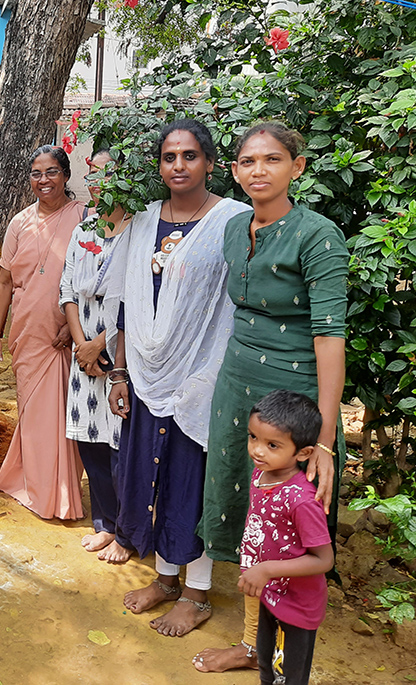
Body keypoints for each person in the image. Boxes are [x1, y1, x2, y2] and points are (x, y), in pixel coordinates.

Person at [193, 121, 347, 673]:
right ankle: (251, 640)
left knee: (289, 525)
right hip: (237, 383)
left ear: (296, 167)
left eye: (272, 160)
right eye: (247, 162)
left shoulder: (318, 234)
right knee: (246, 508)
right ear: (234, 171)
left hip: (293, 391)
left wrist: (323, 441)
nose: (258, 171)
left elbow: (331, 338)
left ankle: (277, 651)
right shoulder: (236, 228)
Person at [108, 119, 250, 636]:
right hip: (146, 375)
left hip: (204, 376)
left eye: (190, 156)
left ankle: (198, 592)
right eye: (170, 157)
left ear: (210, 163)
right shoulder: (145, 222)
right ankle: (166, 579)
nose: (179, 166)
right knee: (154, 476)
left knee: (195, 482)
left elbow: (234, 304)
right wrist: (121, 372)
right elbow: (127, 303)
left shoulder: (233, 221)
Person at [0, 144, 88, 520]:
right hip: (28, 330)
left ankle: (58, 493)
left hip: (68, 334)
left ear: (65, 175)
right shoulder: (19, 223)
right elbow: (4, 280)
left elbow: (93, 278)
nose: (43, 180)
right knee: (32, 413)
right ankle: (34, 485)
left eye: (51, 172)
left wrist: (74, 326)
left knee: (63, 417)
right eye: (36, 173)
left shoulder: (84, 217)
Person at [59, 149, 133, 562]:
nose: (99, 182)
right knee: (90, 441)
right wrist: (81, 346)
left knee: (120, 442)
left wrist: (100, 344)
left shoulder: (137, 230)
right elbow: (67, 290)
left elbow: (134, 300)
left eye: (109, 174)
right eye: (94, 173)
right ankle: (104, 523)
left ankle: (126, 526)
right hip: (82, 350)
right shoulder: (83, 227)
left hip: (120, 350)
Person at [238, 390, 334, 685]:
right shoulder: (261, 476)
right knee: (266, 664)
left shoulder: (302, 500)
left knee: (288, 676)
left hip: (297, 605)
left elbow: (324, 559)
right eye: (253, 437)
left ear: (303, 453)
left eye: (272, 444)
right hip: (270, 595)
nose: (257, 450)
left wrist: (266, 569)